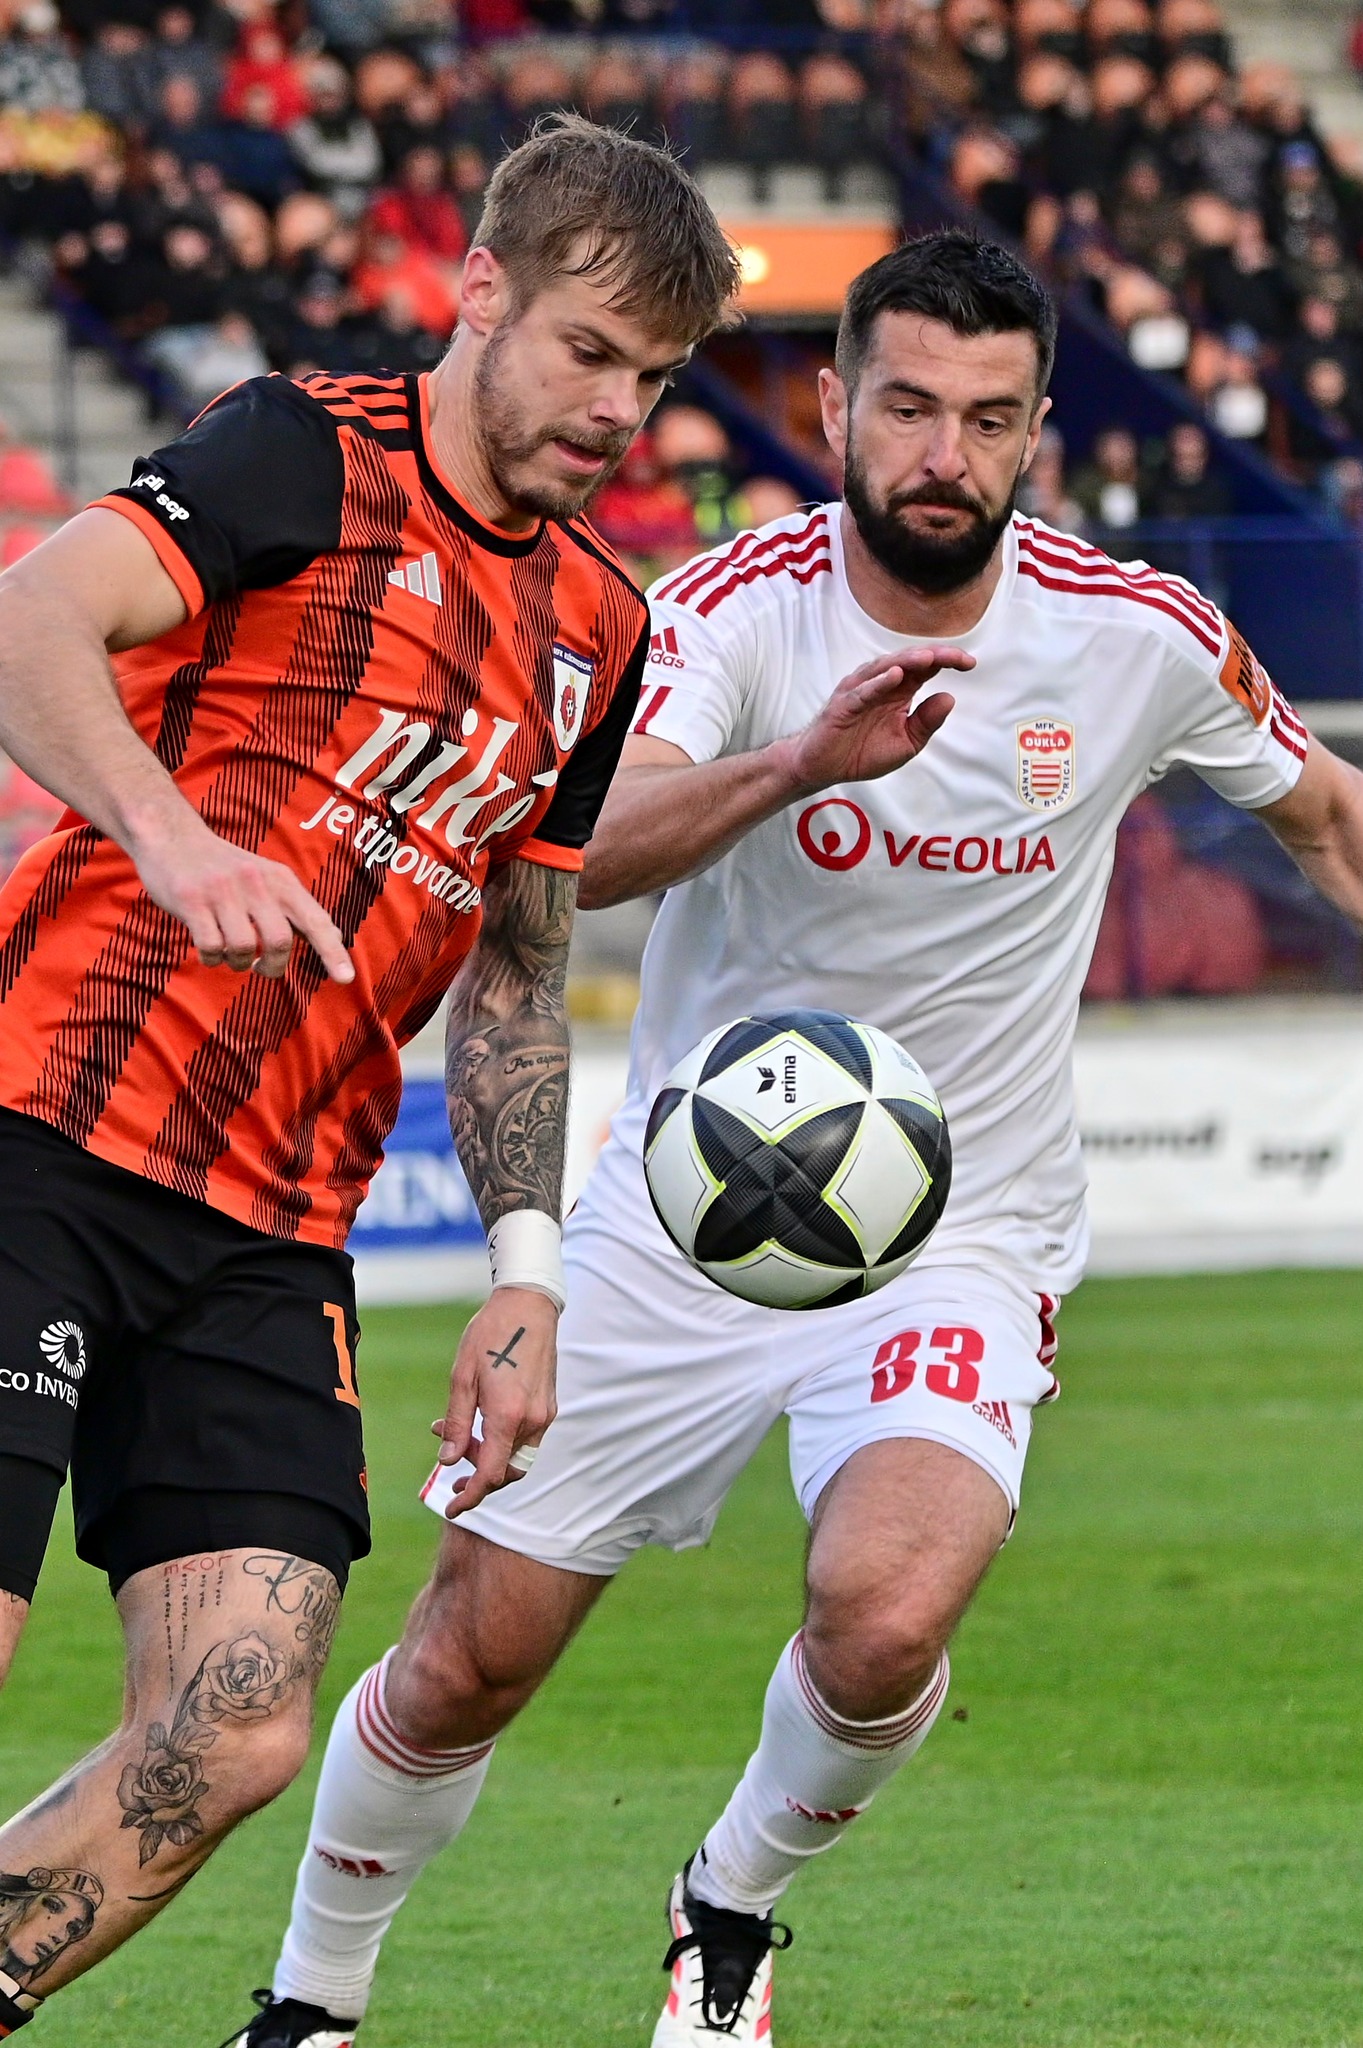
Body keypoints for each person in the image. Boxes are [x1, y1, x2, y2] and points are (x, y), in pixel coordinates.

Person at [235, 231, 1363, 2048]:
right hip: (681, 1216)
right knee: (466, 1660)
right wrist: (800, 765)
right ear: (834, 404)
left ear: (1037, 434)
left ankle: (730, 1904)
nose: (943, 453)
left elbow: (1326, 818)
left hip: (961, 1231)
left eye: (987, 419)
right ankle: (313, 1998)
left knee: (887, 1614)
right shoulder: (734, 613)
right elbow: (578, 850)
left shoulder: (1138, 635)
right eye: (906, 407)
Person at [0, 112, 736, 2038]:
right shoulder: (298, 450)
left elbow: (521, 964)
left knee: (235, 1726)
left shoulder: (605, 629)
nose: (616, 411)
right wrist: (174, 841)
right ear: (480, 288)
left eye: (654, 379)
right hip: (41, 1117)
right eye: (589, 351)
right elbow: (31, 618)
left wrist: (526, 1274)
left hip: (269, 1227)